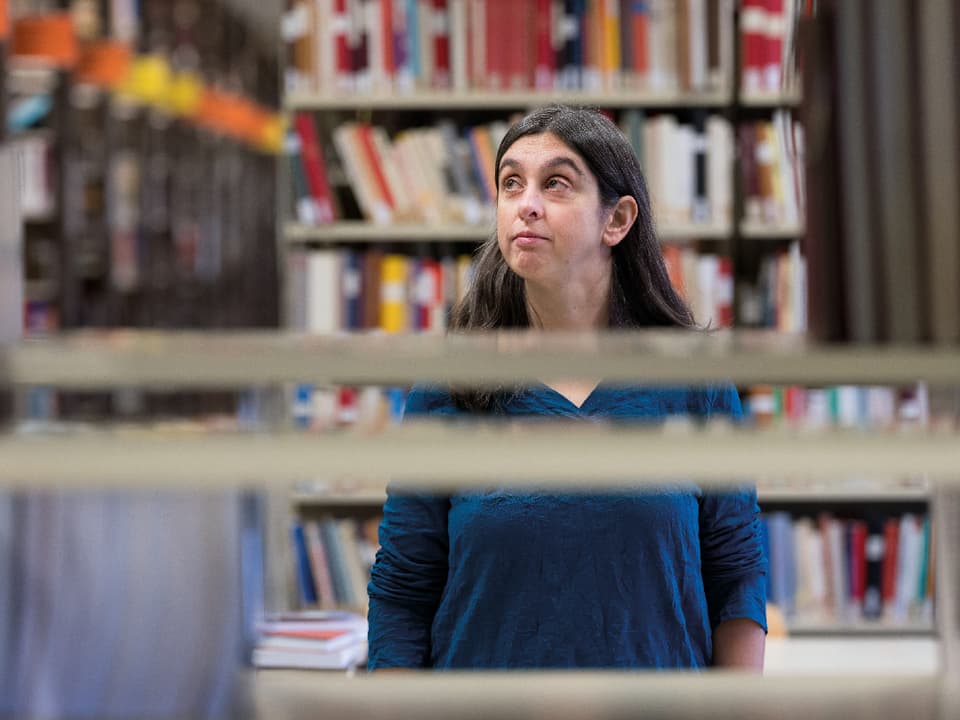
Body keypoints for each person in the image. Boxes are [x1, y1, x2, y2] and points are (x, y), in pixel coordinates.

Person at [367, 105, 767, 670]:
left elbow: (736, 578)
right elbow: (403, 593)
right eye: (510, 183)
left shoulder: (692, 381)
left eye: (556, 183)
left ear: (617, 220)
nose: (525, 204)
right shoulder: (452, 387)